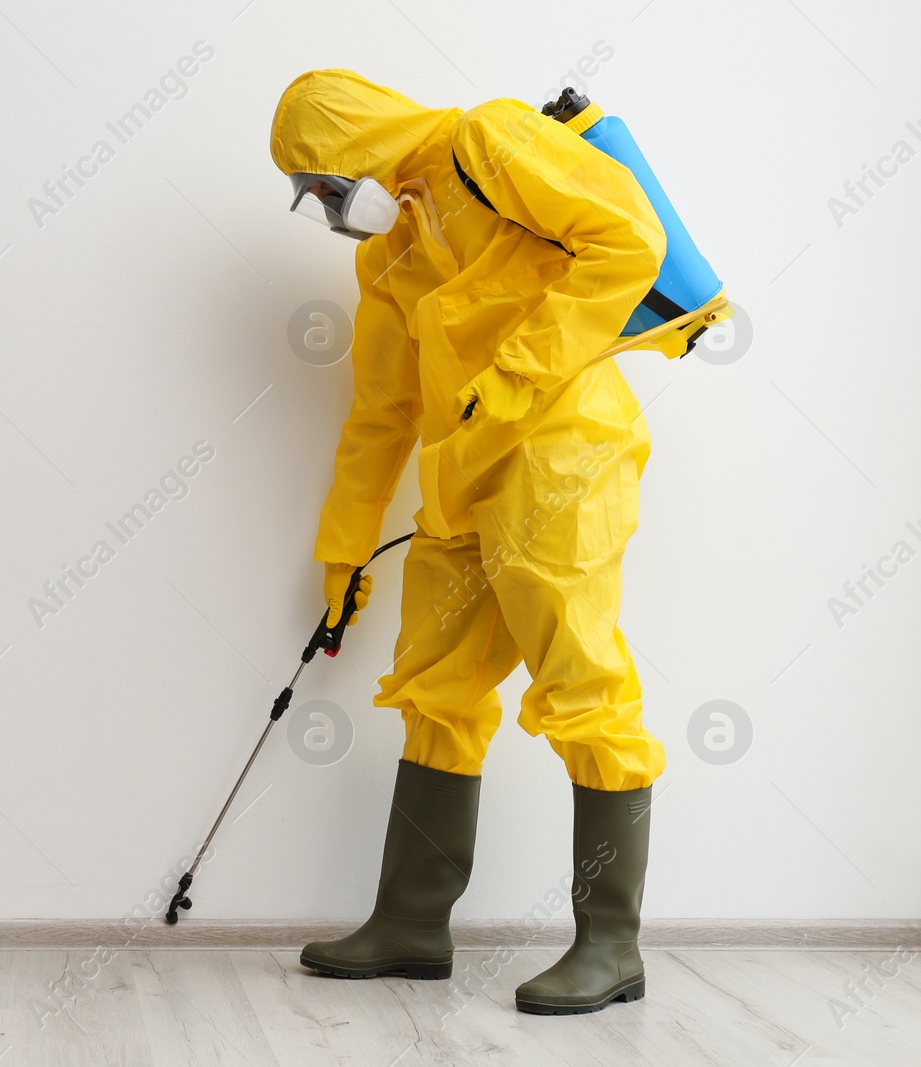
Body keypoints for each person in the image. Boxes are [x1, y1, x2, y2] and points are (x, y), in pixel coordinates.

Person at [270, 69, 667, 1015]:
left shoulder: (489, 143)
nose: (325, 208)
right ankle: (411, 921)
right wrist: (344, 550)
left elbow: (629, 242)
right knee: (436, 686)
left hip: (564, 453)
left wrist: (520, 373)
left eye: (323, 184)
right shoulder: (390, 258)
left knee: (581, 682)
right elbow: (379, 415)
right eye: (311, 196)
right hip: (463, 478)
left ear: (354, 147)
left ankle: (611, 944)